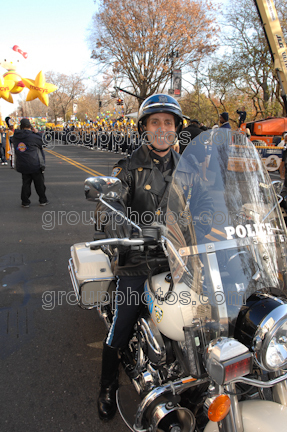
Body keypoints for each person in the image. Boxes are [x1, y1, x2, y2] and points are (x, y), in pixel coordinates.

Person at [95, 94, 213, 421]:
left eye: (168, 122)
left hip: (176, 258)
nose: (162, 128)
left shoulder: (186, 170)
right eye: (155, 122)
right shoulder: (129, 167)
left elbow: (204, 204)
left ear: (176, 129)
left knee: (204, 316)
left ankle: (196, 380)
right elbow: (110, 207)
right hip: (137, 259)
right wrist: (134, 230)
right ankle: (107, 386)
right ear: (145, 128)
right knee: (123, 321)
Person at [12, 118, 49, 208]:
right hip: (35, 163)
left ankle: (25, 201)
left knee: (26, 183)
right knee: (39, 184)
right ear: (30, 126)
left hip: (22, 164)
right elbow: (44, 143)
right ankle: (42, 200)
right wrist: (37, 133)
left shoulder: (16, 137)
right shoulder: (33, 136)